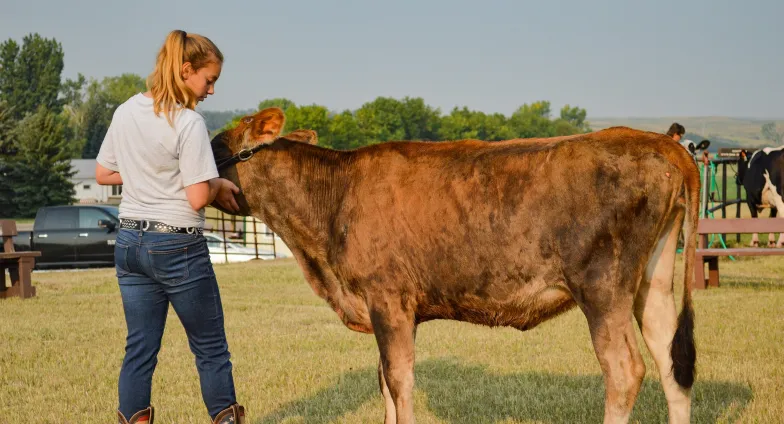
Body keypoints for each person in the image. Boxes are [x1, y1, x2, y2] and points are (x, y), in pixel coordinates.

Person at [96, 29, 245, 424]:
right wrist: (218, 183)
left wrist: (149, 175)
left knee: (140, 350)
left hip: (129, 242)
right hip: (176, 246)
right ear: (185, 70)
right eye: (208, 80)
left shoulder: (126, 110)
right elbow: (197, 196)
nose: (211, 90)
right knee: (210, 348)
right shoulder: (189, 122)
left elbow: (104, 172)